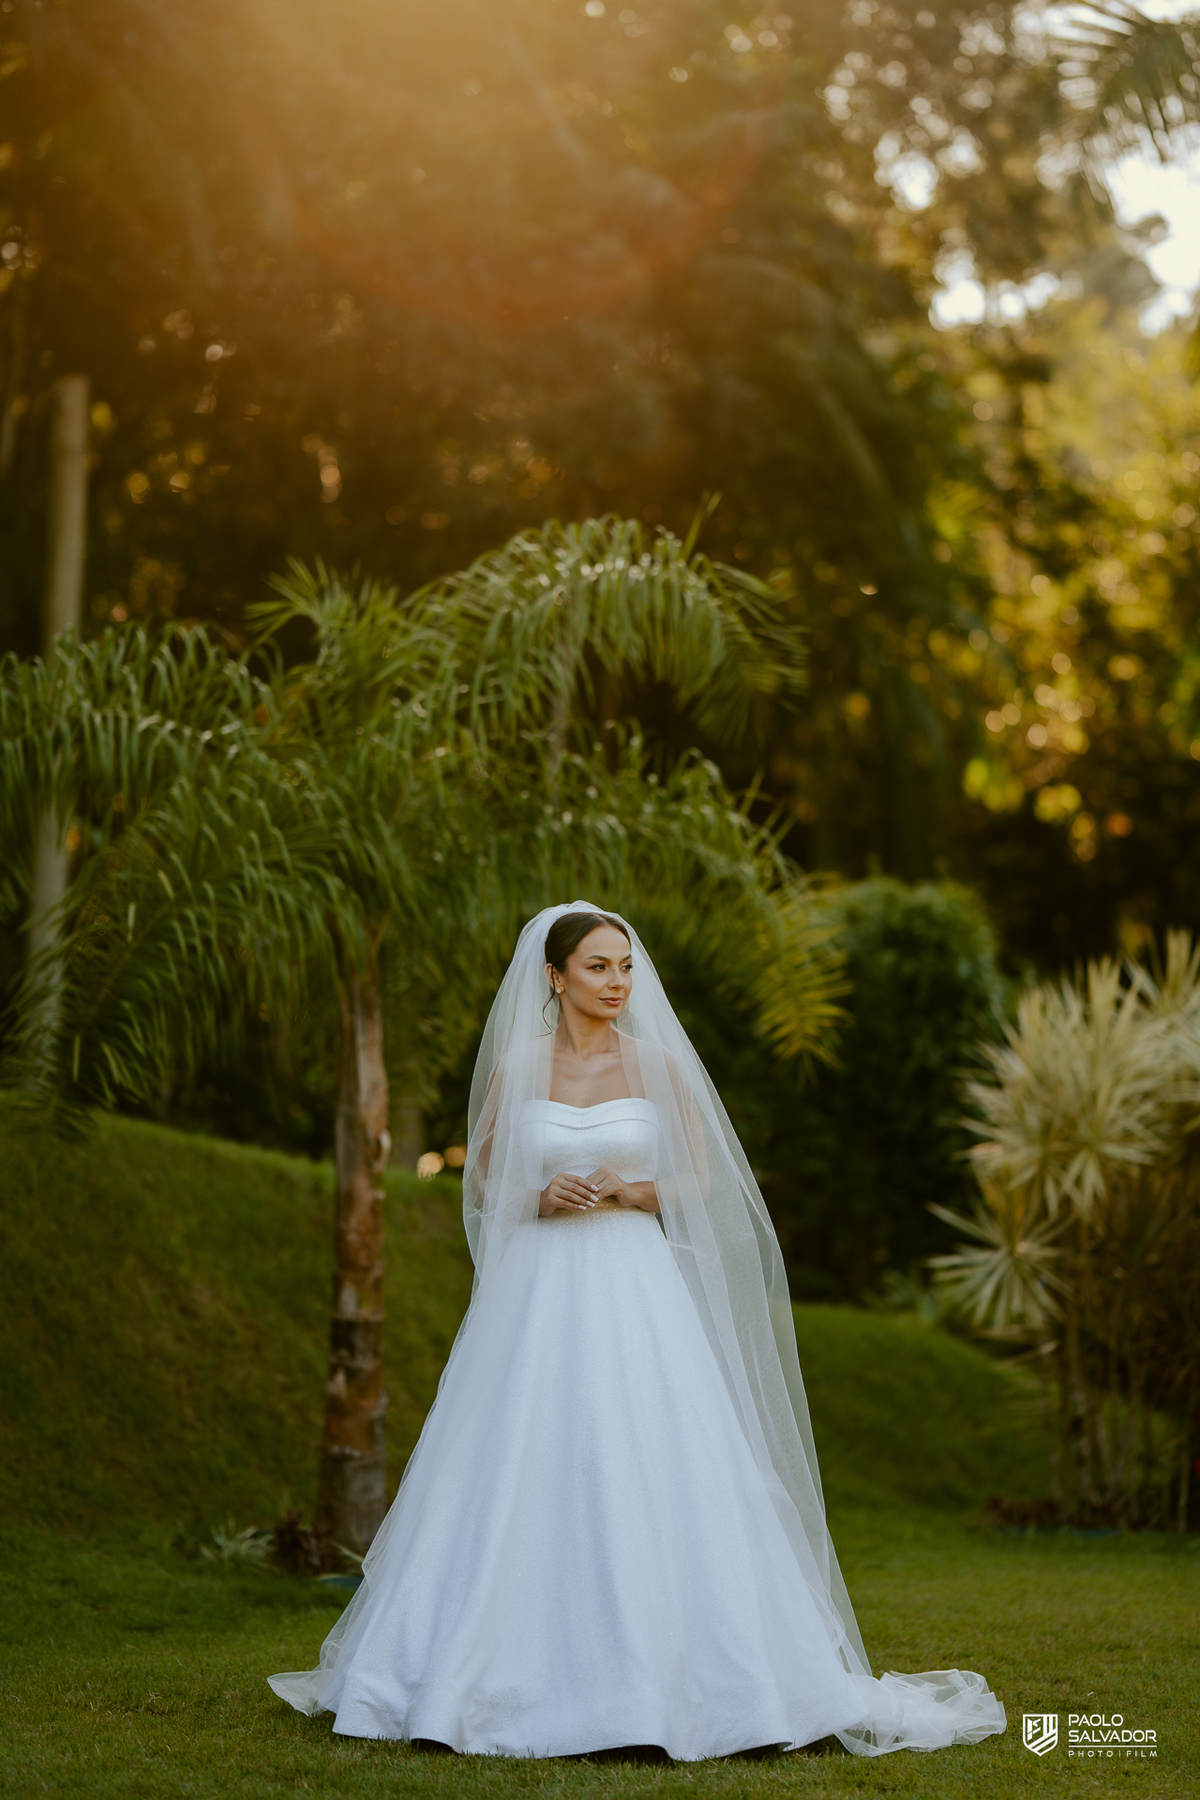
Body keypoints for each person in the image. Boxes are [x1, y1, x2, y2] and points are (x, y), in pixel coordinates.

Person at [269, 902, 1006, 1760]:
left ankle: (697, 1677)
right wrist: (538, 1197)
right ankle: (482, 1667)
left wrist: (628, 1189)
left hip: (634, 1284)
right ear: (554, 977)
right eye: (598, 967)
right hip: (539, 1294)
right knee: (519, 1458)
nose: (617, 982)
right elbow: (483, 1186)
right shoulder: (517, 1068)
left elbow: (700, 1179)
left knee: (656, 1451)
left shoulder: (656, 1064)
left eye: (623, 966)